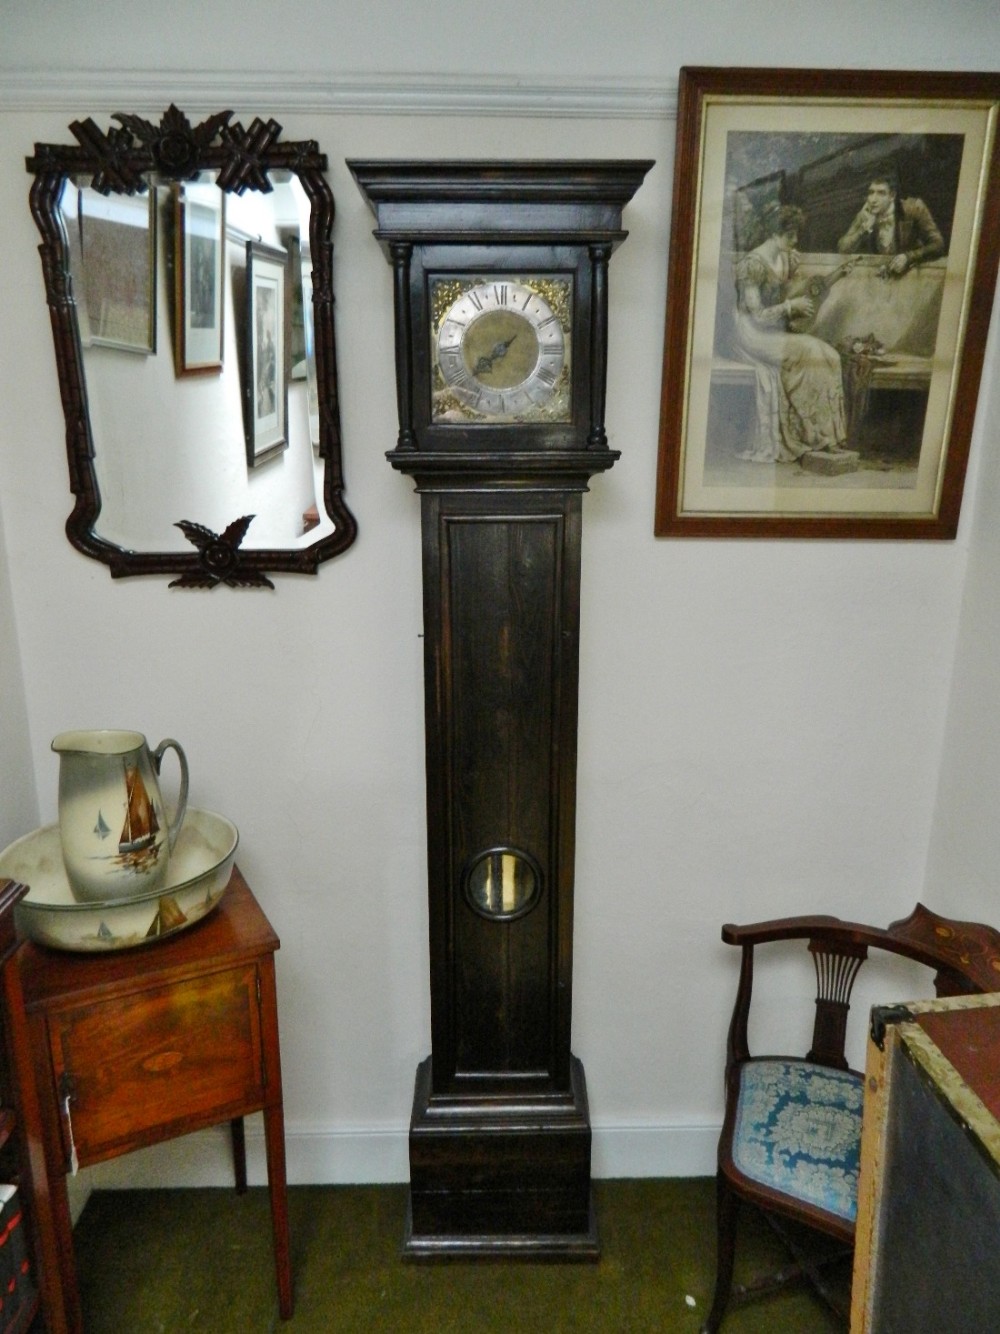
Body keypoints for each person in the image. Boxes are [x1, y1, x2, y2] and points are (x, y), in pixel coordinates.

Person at [732, 204, 851, 463]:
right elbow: (755, 315)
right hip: (753, 333)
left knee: (829, 354)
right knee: (810, 351)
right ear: (775, 233)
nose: (796, 240)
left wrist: (795, 279)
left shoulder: (786, 258)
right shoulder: (751, 264)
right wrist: (790, 307)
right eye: (791, 235)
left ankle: (827, 437)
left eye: (796, 234)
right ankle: (814, 436)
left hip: (775, 330)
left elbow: (794, 295)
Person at [837, 176, 944, 275]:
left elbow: (938, 244)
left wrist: (908, 257)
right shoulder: (865, 214)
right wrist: (862, 229)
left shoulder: (914, 208)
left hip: (911, 275)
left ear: (892, 196)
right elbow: (843, 249)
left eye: (881, 193)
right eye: (871, 192)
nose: (873, 200)